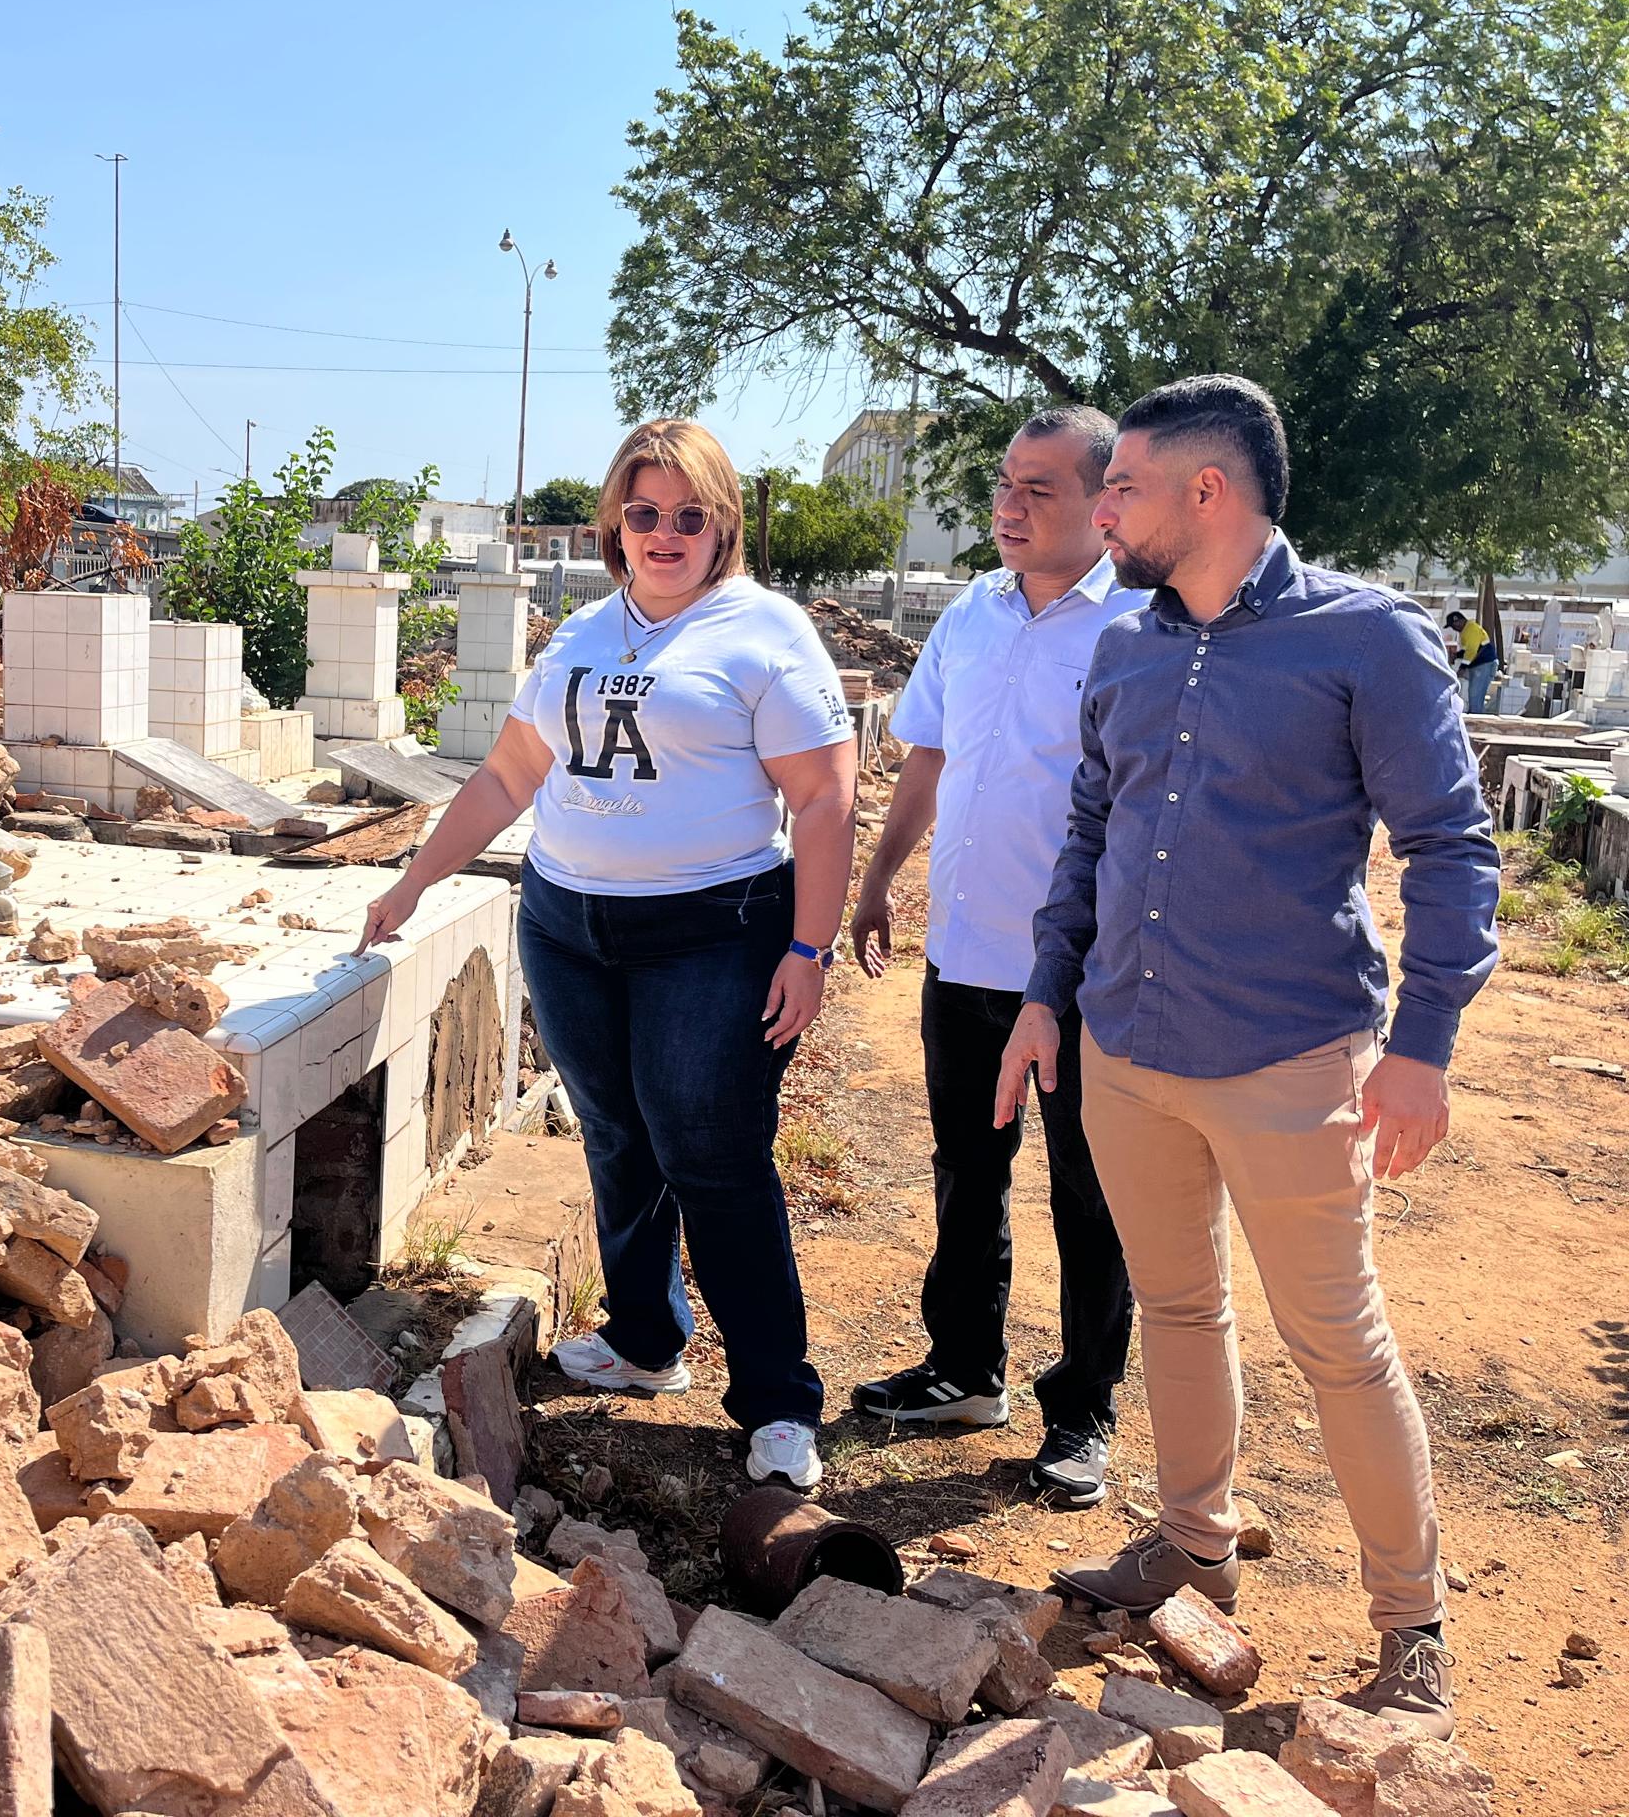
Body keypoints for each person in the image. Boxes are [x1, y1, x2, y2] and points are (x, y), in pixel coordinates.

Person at [999, 374, 1497, 1739]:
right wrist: (1048, 995)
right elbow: (1090, 838)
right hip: (1129, 1049)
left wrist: (1424, 1049)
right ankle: (1194, 1549)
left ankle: (1412, 1626)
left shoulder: (1367, 641)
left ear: (1205, 493)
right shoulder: (1130, 649)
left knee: (1338, 1341)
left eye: (1123, 489)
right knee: (1176, 1310)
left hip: (1291, 1062)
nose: (1097, 511)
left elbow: (1452, 849)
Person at [358, 418, 857, 1492]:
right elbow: (506, 775)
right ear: (613, 525)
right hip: (569, 925)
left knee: (709, 1151)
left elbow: (822, 798)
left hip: (710, 929)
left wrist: (808, 945)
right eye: (644, 513)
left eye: (689, 515)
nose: (664, 534)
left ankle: (776, 1400)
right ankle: (644, 1342)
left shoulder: (762, 633)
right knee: (618, 1137)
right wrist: (416, 878)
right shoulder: (584, 630)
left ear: (722, 525)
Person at [844, 406, 1146, 1507]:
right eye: (1004, 487)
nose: (1008, 509)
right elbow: (927, 760)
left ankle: (1083, 1411)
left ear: (1102, 504)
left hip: (1078, 975)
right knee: (968, 1172)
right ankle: (964, 1370)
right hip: (964, 954)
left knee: (1088, 1192)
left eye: (1038, 491)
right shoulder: (969, 614)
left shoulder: (1139, 629)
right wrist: (878, 883)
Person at [1443, 607, 1498, 714]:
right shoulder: (1465, 631)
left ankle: (1476, 720)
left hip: (1484, 665)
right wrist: (1457, 655)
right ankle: (1475, 715)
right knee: (1474, 694)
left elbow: (1472, 651)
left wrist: (1462, 668)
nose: (1454, 629)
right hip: (1479, 665)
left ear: (1458, 622)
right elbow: (1466, 650)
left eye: (1453, 626)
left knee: (1475, 694)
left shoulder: (1471, 629)